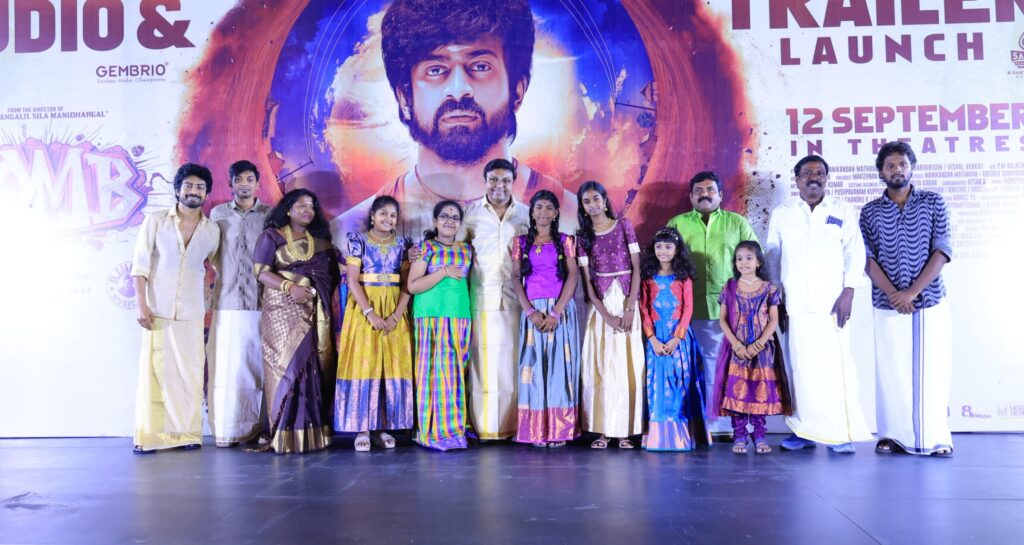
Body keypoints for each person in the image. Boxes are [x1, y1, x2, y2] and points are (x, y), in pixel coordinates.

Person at [330, 0, 575, 244]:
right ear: (405, 98)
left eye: (480, 66)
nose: (458, 90)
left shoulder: (571, 219)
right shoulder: (350, 233)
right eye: (435, 70)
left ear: (517, 91)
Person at [766, 155, 874, 453]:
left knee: (834, 369)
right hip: (795, 305)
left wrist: (849, 291)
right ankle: (804, 431)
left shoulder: (841, 210)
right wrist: (776, 299)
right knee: (800, 370)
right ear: (797, 179)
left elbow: (855, 253)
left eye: (820, 173)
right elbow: (773, 257)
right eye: (807, 173)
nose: (814, 177)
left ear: (826, 178)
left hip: (833, 305)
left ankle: (839, 434)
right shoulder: (783, 214)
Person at [860, 141, 954, 457]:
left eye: (902, 164)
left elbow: (942, 249)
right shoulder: (870, 212)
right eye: (890, 165)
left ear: (911, 167)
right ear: (881, 172)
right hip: (886, 304)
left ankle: (935, 438)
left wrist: (911, 292)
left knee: (931, 372)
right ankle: (893, 436)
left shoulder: (933, 202)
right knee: (892, 371)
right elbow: (867, 258)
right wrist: (894, 295)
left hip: (929, 302)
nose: (896, 170)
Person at [130, 163, 220, 454]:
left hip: (192, 312)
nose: (194, 191)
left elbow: (219, 266)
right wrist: (142, 305)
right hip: (158, 310)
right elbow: (140, 266)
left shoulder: (212, 230)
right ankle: (151, 437)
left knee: (190, 373)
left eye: (200, 187)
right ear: (178, 189)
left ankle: (187, 434)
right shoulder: (156, 221)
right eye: (189, 185)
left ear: (206, 193)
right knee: (156, 374)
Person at [666, 171, 759, 436]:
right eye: (698, 190)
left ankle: (728, 424)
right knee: (693, 367)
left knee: (728, 366)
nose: (704, 194)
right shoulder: (677, 224)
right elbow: (665, 262)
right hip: (686, 308)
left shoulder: (737, 223)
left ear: (720, 194)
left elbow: (755, 260)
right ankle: (698, 422)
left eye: (710, 190)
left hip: (730, 308)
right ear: (690, 196)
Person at [252, 189, 339, 454]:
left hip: (315, 311)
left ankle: (313, 434)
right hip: (281, 312)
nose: (307, 210)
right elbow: (261, 273)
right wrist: (291, 287)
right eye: (301, 205)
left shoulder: (321, 243)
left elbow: (334, 274)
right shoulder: (271, 236)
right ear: (288, 209)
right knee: (286, 368)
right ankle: (281, 432)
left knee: (311, 368)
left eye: (311, 206)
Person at [334, 196, 415, 451]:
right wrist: (369, 312)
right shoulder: (358, 241)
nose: (388, 219)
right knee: (365, 363)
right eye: (383, 214)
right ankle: (363, 428)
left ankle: (383, 427)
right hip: (364, 308)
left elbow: (408, 283)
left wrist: (396, 315)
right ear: (372, 216)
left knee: (388, 365)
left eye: (393, 215)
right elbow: (352, 280)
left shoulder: (404, 244)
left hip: (394, 308)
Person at [463, 159, 531, 441]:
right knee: (483, 362)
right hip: (482, 297)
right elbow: (455, 249)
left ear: (513, 182)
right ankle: (484, 426)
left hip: (518, 299)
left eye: (505, 180)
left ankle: (515, 425)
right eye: (493, 179)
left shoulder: (526, 213)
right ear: (484, 180)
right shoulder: (470, 214)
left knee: (514, 362)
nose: (499, 185)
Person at [207, 160, 271, 448]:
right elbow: (212, 253)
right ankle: (227, 428)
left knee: (257, 366)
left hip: (260, 301)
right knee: (228, 367)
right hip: (228, 300)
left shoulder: (269, 215)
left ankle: (259, 427)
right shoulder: (218, 214)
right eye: (238, 179)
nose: (243, 184)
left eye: (249, 179)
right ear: (230, 183)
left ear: (257, 183)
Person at [576, 181, 644, 449]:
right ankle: (603, 430)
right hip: (602, 305)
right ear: (582, 207)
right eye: (587, 201)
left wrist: (630, 308)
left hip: (627, 300)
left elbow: (636, 268)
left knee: (627, 364)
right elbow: (587, 283)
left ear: (604, 201)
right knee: (602, 364)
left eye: (596, 199)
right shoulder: (582, 238)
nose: (593, 205)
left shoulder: (624, 225)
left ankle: (625, 430)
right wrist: (605, 315)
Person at [509, 190, 580, 448]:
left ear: (556, 213)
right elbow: (516, 278)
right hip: (533, 313)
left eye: (549, 208)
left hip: (560, 311)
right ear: (532, 212)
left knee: (560, 368)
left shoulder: (565, 241)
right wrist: (529, 311)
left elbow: (573, 276)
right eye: (539, 207)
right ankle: (536, 430)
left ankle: (560, 430)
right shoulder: (520, 243)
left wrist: (556, 312)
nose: (543, 212)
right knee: (533, 368)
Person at [710, 241, 791, 455]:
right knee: (737, 391)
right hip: (737, 349)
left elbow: (774, 320)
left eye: (749, 258)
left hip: (762, 350)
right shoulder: (729, 287)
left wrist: (758, 344)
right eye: (739, 259)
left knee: (759, 392)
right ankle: (739, 436)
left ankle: (760, 435)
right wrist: (737, 344)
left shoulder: (769, 289)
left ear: (758, 262)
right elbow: (723, 320)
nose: (743, 263)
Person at [407, 200, 474, 451]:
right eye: (444, 216)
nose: (449, 221)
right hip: (430, 318)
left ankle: (455, 429)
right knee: (431, 376)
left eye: (455, 217)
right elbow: (413, 286)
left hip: (459, 317)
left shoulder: (467, 249)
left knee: (455, 376)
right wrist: (444, 271)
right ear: (434, 221)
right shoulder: (425, 248)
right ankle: (431, 431)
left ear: (460, 223)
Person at [638, 228, 710, 452]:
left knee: (679, 383)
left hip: (679, 338)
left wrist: (677, 338)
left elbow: (688, 308)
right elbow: (644, 309)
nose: (663, 251)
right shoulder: (647, 277)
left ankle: (681, 437)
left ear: (677, 250)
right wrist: (652, 338)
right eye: (659, 246)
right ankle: (657, 437)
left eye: (668, 246)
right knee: (656, 385)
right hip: (656, 336)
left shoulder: (683, 277)